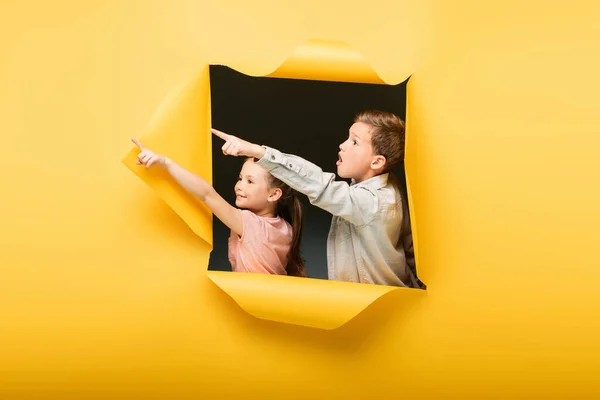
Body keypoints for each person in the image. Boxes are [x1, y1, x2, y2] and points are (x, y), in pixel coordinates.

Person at [211, 110, 419, 287]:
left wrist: (258, 152)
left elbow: (320, 185)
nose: (343, 145)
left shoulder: (373, 202)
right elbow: (409, 246)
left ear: (376, 162)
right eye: (348, 137)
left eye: (355, 142)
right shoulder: (388, 187)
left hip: (383, 310)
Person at [131, 138, 307, 277]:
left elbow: (207, 194)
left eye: (250, 181)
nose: (239, 186)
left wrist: (167, 163)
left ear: (274, 195)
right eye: (240, 178)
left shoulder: (249, 223)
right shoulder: (285, 228)